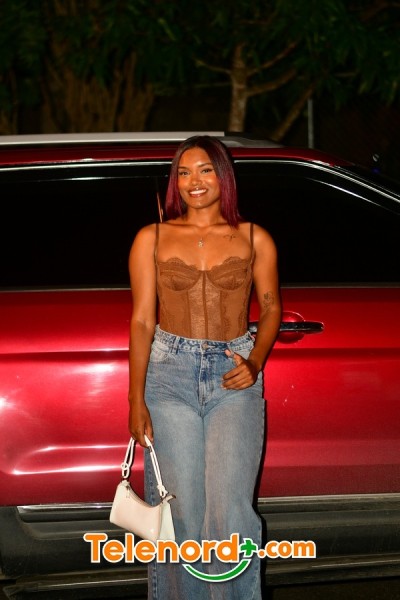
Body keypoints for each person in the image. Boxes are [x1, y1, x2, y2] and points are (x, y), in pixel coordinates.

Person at [127, 135, 282, 600]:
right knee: (180, 514)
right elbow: (142, 320)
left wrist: (255, 361)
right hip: (168, 377)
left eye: (205, 170)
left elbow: (271, 308)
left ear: (223, 176)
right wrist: (135, 399)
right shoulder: (152, 237)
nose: (194, 181)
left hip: (232, 375)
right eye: (184, 173)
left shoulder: (254, 237)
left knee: (231, 513)